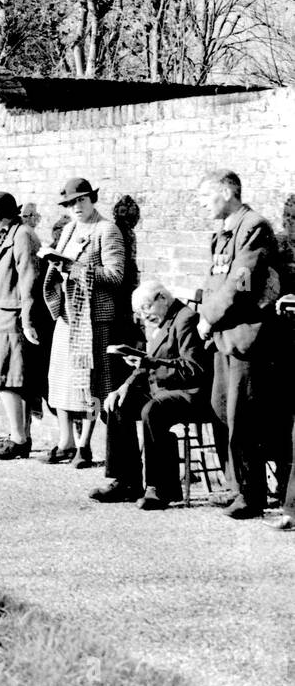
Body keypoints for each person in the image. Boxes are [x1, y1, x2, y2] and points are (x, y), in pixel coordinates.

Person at [196, 169, 281, 519]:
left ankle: (251, 494)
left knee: (243, 417)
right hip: (222, 337)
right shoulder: (224, 231)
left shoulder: (253, 227)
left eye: (206, 196)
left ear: (227, 192)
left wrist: (207, 317)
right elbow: (214, 280)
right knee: (220, 411)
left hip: (246, 337)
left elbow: (240, 285)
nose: (202, 204)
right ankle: (236, 487)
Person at [91, 281, 211, 508]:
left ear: (162, 298)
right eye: (140, 312)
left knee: (154, 410)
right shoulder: (164, 320)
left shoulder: (186, 319)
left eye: (147, 308)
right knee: (118, 404)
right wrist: (124, 386)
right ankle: (126, 481)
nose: (145, 316)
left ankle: (161, 488)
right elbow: (148, 364)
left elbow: (193, 368)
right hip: (161, 390)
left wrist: (150, 361)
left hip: (188, 392)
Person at [41, 178, 126, 467]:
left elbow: (116, 276)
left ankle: (84, 444)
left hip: (93, 317)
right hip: (68, 314)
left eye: (80, 200)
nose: (75, 207)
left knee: (89, 381)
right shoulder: (69, 228)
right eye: (69, 203)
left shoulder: (107, 230)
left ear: (92, 199)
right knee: (61, 379)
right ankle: (64, 440)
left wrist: (76, 269)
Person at [0, 192, 43, 460]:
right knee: (8, 378)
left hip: (13, 315)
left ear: (4, 216)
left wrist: (27, 319)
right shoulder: (11, 234)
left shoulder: (21, 236)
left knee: (8, 379)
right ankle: (19, 435)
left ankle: (18, 438)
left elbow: (29, 278)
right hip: (4, 314)